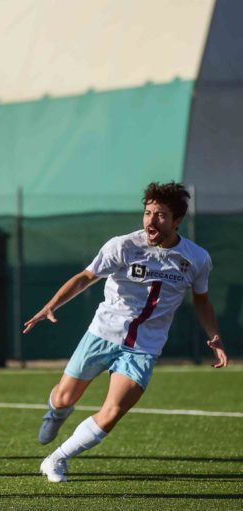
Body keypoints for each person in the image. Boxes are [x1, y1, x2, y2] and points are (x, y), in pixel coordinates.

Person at [23, 182, 229, 483]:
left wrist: (215, 337)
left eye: (160, 215)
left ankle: (57, 459)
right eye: (147, 213)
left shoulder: (197, 258)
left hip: (145, 346)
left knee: (114, 410)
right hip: (103, 334)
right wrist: (51, 305)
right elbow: (85, 277)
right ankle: (57, 412)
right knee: (65, 397)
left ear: (177, 221)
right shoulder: (123, 246)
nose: (151, 221)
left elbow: (202, 301)